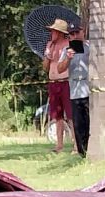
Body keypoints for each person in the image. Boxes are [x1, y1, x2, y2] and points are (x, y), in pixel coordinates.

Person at [57, 23, 90, 156]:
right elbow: (60, 69)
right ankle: (81, 152)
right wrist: (68, 59)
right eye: (71, 34)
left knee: (88, 123)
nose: (74, 36)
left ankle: (89, 149)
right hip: (75, 92)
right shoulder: (67, 50)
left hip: (88, 90)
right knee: (77, 124)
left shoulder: (89, 47)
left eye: (76, 33)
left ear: (82, 32)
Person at [42, 19, 72, 153]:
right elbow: (45, 68)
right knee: (57, 115)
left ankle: (76, 145)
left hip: (65, 81)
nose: (51, 34)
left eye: (54, 31)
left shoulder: (68, 44)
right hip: (53, 82)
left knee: (70, 115)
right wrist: (48, 56)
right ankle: (59, 145)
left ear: (59, 33)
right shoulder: (50, 45)